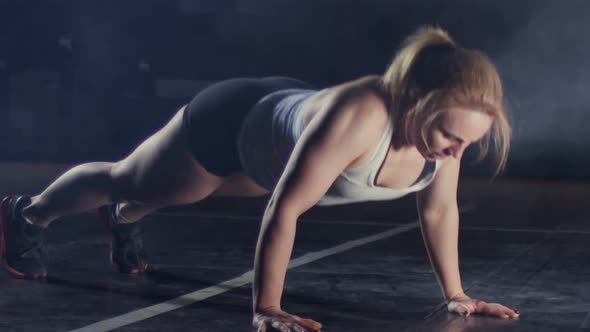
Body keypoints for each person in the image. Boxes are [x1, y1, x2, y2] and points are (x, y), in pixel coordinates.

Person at [0, 26, 519, 331]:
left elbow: (438, 209)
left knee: (188, 190)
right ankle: (28, 214)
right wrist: (267, 306)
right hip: (233, 120)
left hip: (275, 136)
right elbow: (286, 209)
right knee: (135, 179)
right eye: (452, 137)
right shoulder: (359, 116)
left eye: (468, 142)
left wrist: (456, 292)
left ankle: (123, 218)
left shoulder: (442, 134)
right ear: (413, 101)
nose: (457, 152)